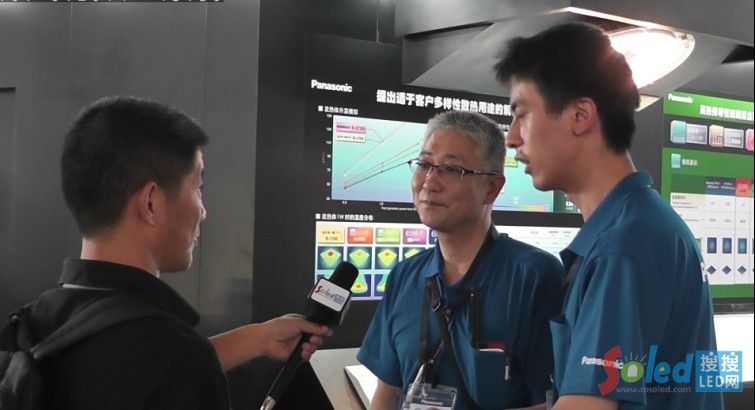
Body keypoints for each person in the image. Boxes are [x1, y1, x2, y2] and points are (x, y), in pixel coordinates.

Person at [0, 96, 331, 409]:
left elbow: (126, 371)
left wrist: (257, 338)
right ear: (151, 203)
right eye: (198, 188)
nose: (203, 211)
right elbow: (165, 369)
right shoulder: (179, 361)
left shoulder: (24, 331)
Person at [494, 22, 722, 410]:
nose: (512, 137)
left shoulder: (626, 244)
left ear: (581, 115)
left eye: (522, 114)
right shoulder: (637, 226)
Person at [358, 111, 565, 410]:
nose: (430, 182)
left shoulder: (534, 275)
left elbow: (550, 402)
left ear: (492, 188)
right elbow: (388, 392)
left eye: (451, 169)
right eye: (424, 165)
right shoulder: (406, 275)